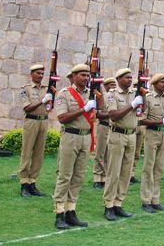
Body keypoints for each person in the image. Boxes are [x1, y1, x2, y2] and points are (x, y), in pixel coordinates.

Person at [52, 64, 96, 230]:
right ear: (74, 76)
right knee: (65, 175)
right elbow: (62, 117)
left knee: (79, 176)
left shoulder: (91, 94)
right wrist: (83, 109)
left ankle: (71, 210)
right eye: (83, 75)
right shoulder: (65, 94)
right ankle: (59, 212)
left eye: (87, 75)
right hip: (70, 136)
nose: (86, 78)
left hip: (85, 137)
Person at [102, 68, 141, 220]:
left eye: (131, 78)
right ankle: (109, 204)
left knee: (126, 172)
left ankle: (118, 203)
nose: (130, 80)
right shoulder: (112, 95)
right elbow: (113, 115)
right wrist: (132, 105)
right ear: (118, 79)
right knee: (114, 171)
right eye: (126, 78)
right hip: (117, 134)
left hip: (131, 135)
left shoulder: (134, 94)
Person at [139, 73, 164, 213]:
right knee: (149, 167)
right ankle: (146, 200)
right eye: (161, 82)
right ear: (154, 84)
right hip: (152, 133)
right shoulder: (148, 98)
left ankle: (155, 199)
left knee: (159, 168)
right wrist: (160, 122)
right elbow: (142, 119)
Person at [18, 64, 51, 197]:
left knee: (39, 153)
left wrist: (49, 102)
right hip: (31, 121)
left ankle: (32, 182)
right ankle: (24, 183)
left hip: (43, 121)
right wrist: (42, 101)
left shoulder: (46, 89)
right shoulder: (25, 89)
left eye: (42, 73)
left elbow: (50, 106)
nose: (41, 76)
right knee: (27, 152)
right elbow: (27, 108)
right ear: (31, 74)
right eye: (38, 73)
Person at [93, 77, 117, 189]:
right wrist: (113, 114)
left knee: (109, 154)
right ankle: (97, 177)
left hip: (112, 127)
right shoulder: (101, 97)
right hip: (103, 126)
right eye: (111, 85)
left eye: (114, 84)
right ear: (106, 86)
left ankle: (105, 177)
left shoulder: (114, 97)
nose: (113, 87)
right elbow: (98, 114)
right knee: (100, 153)